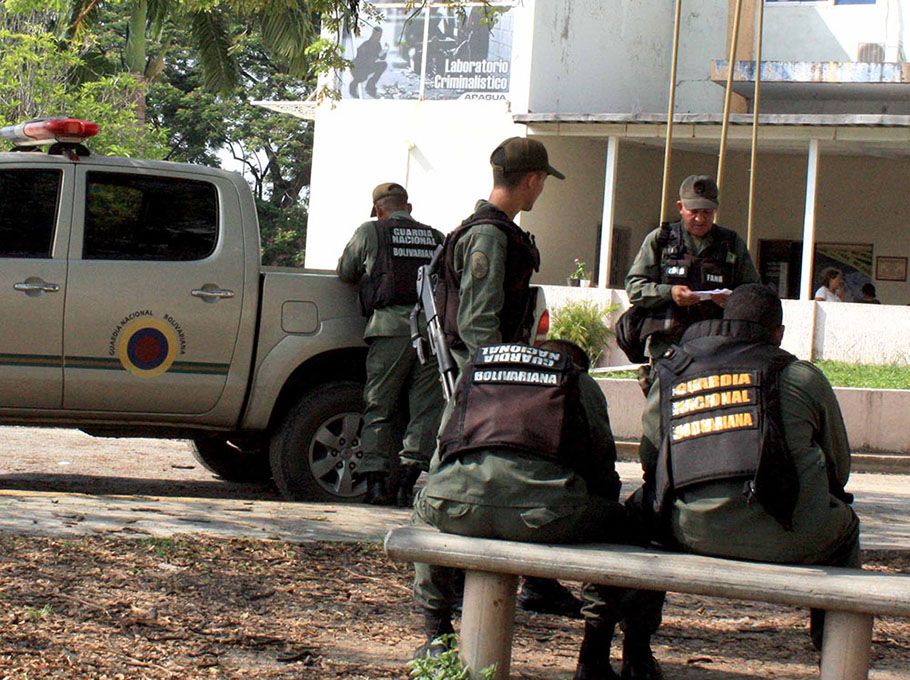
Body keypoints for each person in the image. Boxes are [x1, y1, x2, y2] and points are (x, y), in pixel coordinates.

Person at [413, 340, 660, 679]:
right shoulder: (577, 381)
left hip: (458, 507)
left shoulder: (475, 372)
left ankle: (436, 634)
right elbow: (603, 469)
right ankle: (593, 657)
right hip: (545, 515)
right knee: (628, 526)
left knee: (424, 510)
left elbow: (442, 453)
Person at [636, 283, 860, 652]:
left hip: (688, 529)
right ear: (779, 333)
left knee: (643, 516)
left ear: (726, 321)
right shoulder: (801, 375)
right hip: (792, 536)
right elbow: (839, 470)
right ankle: (834, 655)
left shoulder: (675, 370)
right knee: (846, 527)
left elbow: (651, 461)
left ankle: (632, 649)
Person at [434, 136, 582, 617]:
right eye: (543, 183)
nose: (542, 191)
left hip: (489, 379)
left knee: (522, 473)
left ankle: (536, 582)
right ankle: (444, 599)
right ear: (533, 180)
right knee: (464, 479)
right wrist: (507, 380)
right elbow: (477, 324)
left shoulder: (498, 232)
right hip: (483, 383)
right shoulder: (489, 237)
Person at [337, 182, 444, 505]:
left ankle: (375, 485)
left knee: (379, 406)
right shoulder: (436, 237)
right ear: (407, 208)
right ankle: (406, 484)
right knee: (425, 410)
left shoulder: (372, 231)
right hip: (430, 332)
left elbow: (346, 271)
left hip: (390, 329)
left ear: (379, 209)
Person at [625, 175, 761, 360]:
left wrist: (732, 300)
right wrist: (669, 293)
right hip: (667, 347)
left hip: (715, 345)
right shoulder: (660, 240)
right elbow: (635, 288)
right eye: (694, 211)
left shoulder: (731, 243)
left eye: (707, 212)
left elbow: (753, 293)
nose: (700, 218)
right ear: (680, 207)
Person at [349, 27, 388, 98]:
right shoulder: (366, 45)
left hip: (367, 66)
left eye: (380, 36)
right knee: (362, 77)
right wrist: (378, 55)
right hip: (358, 68)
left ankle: (371, 85)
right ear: (373, 34)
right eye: (377, 35)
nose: (378, 37)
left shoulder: (377, 44)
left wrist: (385, 51)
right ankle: (353, 86)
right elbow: (365, 59)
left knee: (383, 65)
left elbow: (382, 58)